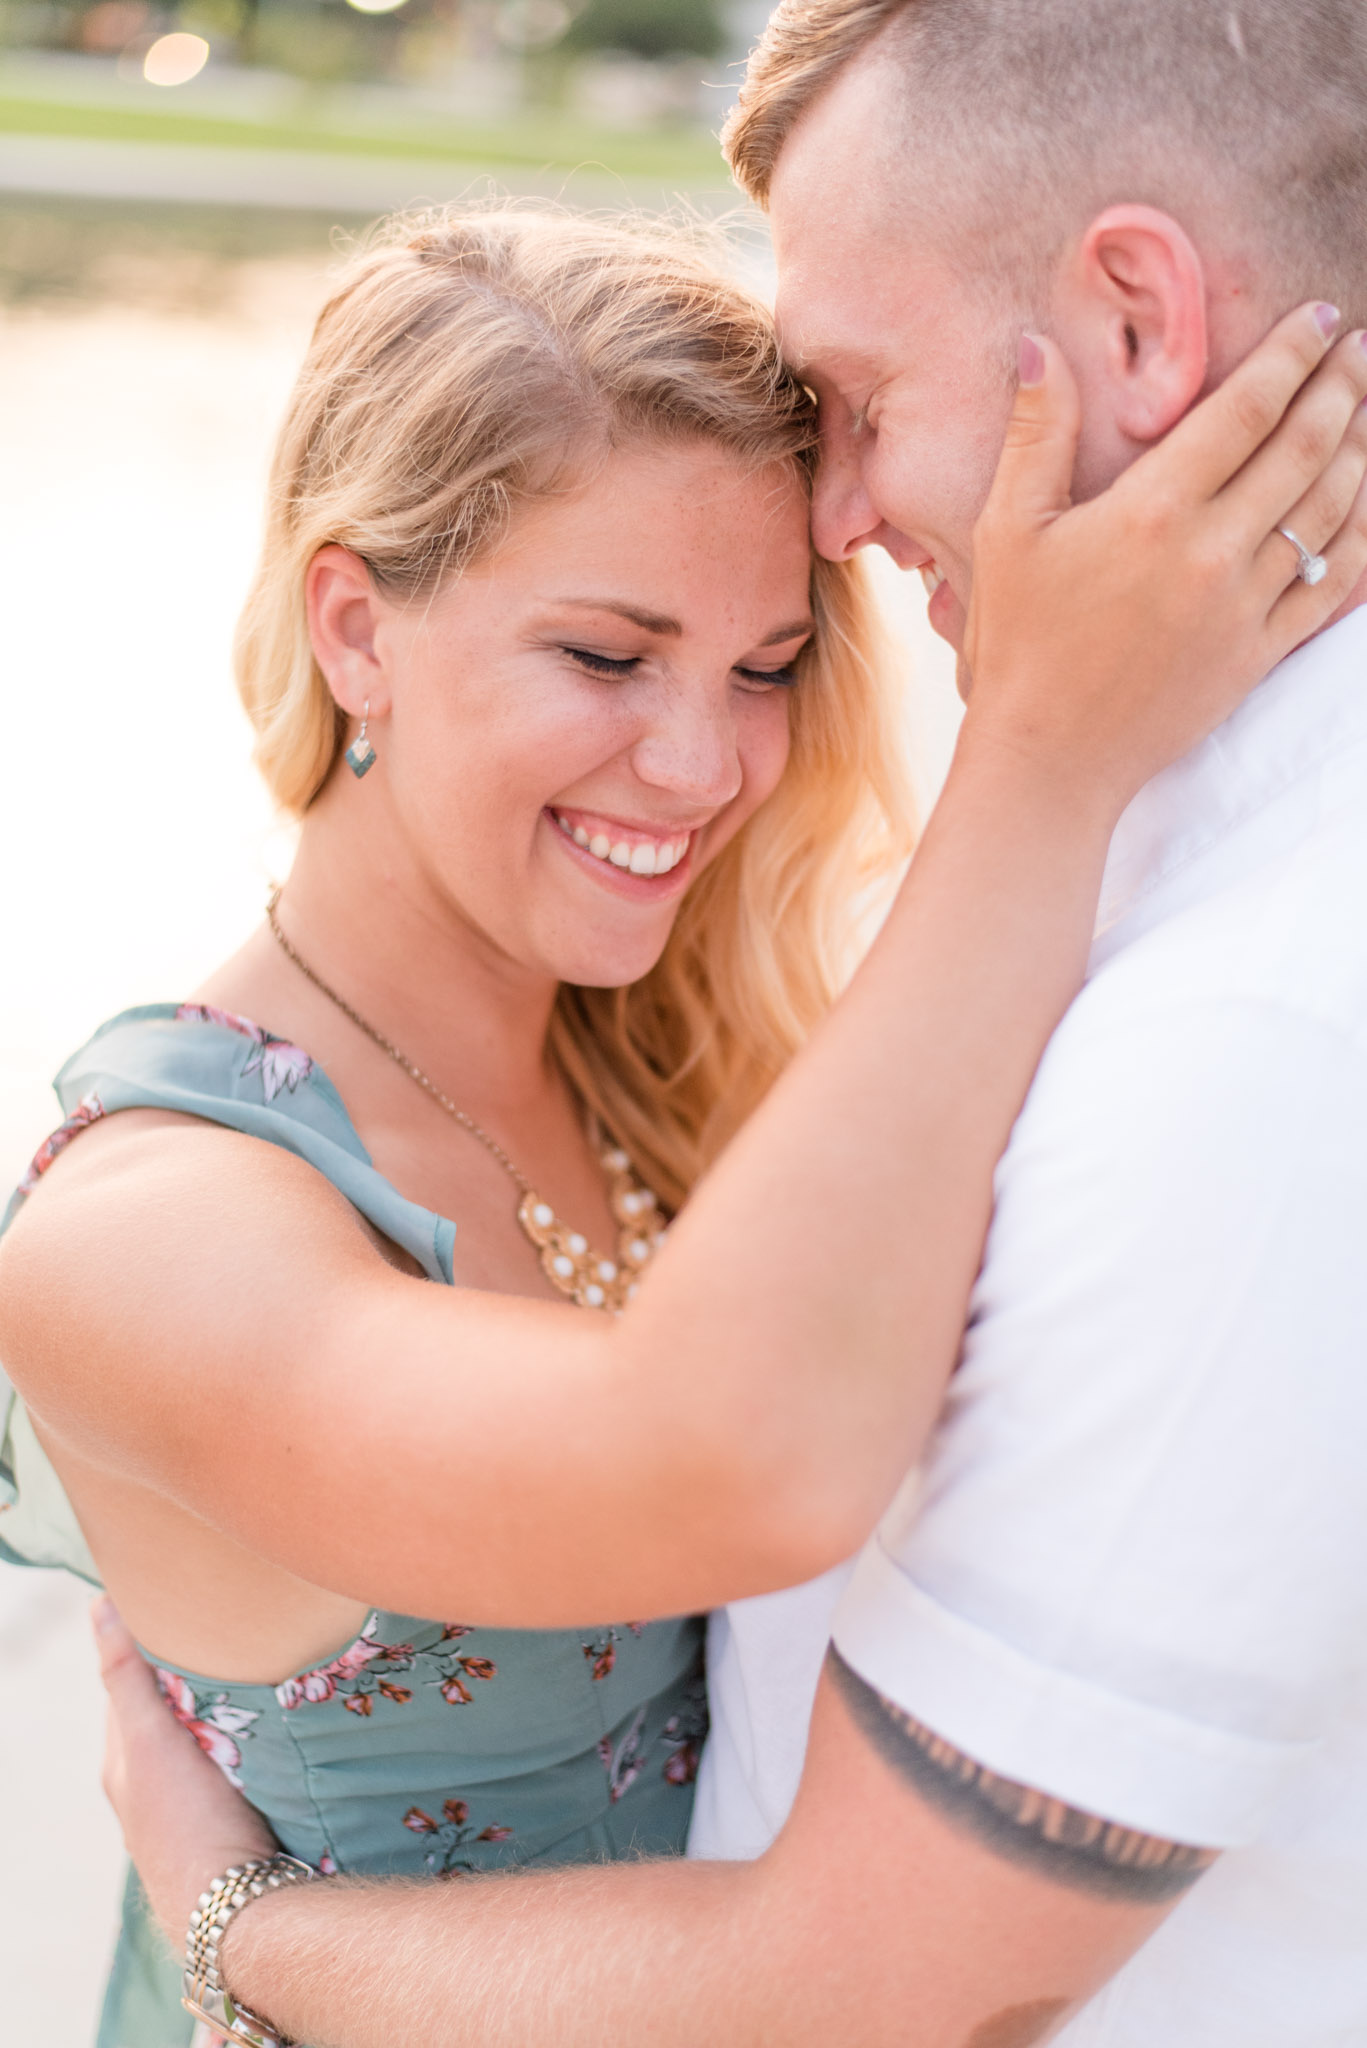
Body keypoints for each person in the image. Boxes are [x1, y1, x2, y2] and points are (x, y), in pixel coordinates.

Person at [13, 14, 1367, 2028]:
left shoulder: (674, 1072)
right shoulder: (142, 1234)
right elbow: (741, 1460)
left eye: (760, 666)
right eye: (604, 652)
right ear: (356, 623)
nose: (703, 763)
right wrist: (1047, 757)